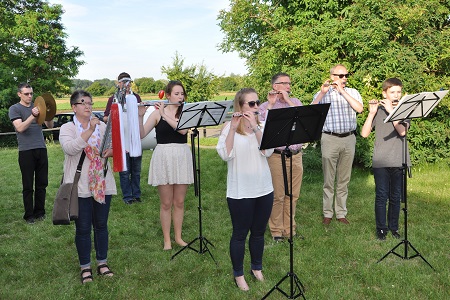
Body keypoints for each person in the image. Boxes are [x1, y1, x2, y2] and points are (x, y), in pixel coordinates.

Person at [216, 88, 274, 291]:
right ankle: (238, 274)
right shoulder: (228, 128)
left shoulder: (263, 126)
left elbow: (267, 151)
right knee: (240, 234)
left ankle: (256, 267)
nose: (256, 107)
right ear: (240, 106)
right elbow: (226, 154)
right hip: (240, 191)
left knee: (258, 232)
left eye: (257, 102)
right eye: (251, 104)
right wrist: (232, 128)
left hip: (264, 188)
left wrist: (256, 127)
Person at [59, 90, 117, 284]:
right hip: (80, 185)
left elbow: (116, 146)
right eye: (83, 103)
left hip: (102, 182)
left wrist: (111, 151)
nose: (88, 106)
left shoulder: (102, 125)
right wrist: (89, 130)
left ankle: (102, 263)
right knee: (83, 228)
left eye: (90, 103)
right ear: (74, 107)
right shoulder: (68, 128)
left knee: (101, 225)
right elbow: (70, 148)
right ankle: (85, 266)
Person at [138, 80, 193, 251]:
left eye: (182, 94)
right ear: (168, 95)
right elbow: (141, 134)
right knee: (166, 203)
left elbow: (182, 130)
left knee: (180, 201)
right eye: (176, 94)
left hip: (181, 156)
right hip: (163, 157)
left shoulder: (185, 113)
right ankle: (167, 240)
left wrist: (164, 113)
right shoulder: (156, 114)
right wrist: (141, 115)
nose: (180, 97)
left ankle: (178, 237)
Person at [311, 64, 363, 225]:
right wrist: (322, 93)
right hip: (329, 138)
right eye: (341, 76)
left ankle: (341, 213)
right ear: (332, 76)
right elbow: (311, 112)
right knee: (329, 179)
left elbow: (359, 109)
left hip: (349, 138)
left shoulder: (353, 92)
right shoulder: (323, 93)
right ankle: (328, 212)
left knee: (344, 179)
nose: (344, 78)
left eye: (346, 75)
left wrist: (342, 91)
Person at [361, 78, 410, 240]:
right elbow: (364, 133)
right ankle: (381, 229)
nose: (396, 95)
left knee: (396, 196)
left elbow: (402, 131)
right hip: (381, 160)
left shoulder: (405, 109)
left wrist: (392, 112)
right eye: (392, 92)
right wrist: (372, 113)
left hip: (398, 160)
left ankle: (393, 228)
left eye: (398, 92)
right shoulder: (380, 110)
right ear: (384, 93)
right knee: (382, 195)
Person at [258, 73, 304, 241]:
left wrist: (289, 101)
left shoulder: (296, 102)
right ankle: (276, 231)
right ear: (275, 86)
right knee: (278, 195)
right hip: (276, 156)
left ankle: (290, 230)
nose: (288, 86)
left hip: (296, 155)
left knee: (293, 195)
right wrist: (271, 104)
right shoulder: (264, 106)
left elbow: (302, 120)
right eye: (284, 83)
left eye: (289, 83)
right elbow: (260, 126)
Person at [8, 83, 54, 224]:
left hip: (41, 148)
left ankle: (40, 212)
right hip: (26, 151)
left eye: (31, 93)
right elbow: (20, 128)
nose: (29, 96)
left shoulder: (38, 106)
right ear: (19, 94)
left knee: (42, 183)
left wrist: (49, 112)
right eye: (26, 93)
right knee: (28, 185)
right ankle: (29, 216)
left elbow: (50, 126)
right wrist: (33, 116)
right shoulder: (15, 109)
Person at [104, 72, 142, 205]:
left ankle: (136, 194)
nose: (126, 85)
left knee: (136, 170)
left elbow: (140, 113)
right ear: (118, 83)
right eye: (123, 82)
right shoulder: (113, 98)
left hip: (134, 138)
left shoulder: (135, 97)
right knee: (124, 170)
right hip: (121, 138)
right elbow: (105, 117)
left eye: (129, 82)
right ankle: (127, 196)